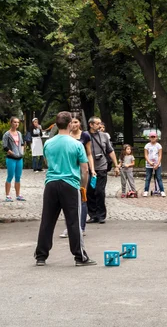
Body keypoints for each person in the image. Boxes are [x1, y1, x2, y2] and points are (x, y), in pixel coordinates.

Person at [34, 111, 96, 266]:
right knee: (73, 221)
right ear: (70, 125)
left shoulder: (48, 143)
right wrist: (83, 187)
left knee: (47, 221)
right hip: (70, 184)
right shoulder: (76, 144)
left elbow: (48, 163)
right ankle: (79, 256)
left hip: (51, 184)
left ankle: (41, 256)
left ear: (56, 125)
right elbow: (85, 169)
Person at [60, 116, 96, 238]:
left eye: (76, 122)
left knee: (82, 197)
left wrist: (92, 169)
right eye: (72, 122)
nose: (74, 124)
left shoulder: (85, 136)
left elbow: (89, 154)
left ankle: (81, 227)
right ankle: (69, 227)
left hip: (81, 170)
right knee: (68, 200)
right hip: (69, 170)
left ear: (80, 123)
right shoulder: (66, 136)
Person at [87, 116, 120, 223]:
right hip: (88, 168)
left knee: (99, 191)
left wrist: (116, 165)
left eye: (100, 123)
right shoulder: (85, 136)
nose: (99, 125)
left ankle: (101, 215)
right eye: (97, 123)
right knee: (90, 192)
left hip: (101, 167)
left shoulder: (104, 136)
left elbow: (110, 151)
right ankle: (92, 215)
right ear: (91, 125)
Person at [3, 116, 25, 202]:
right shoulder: (7, 134)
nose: (16, 124)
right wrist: (12, 153)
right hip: (11, 159)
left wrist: (21, 152)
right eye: (15, 122)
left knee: (18, 177)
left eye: (18, 122)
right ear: (11, 123)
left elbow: (22, 144)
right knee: (10, 176)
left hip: (19, 158)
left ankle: (18, 195)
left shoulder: (19, 133)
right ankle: (7, 195)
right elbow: (5, 146)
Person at [144, 131, 165, 197]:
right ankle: (146, 191)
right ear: (149, 138)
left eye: (154, 137)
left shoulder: (159, 145)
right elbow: (146, 155)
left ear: (156, 137)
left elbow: (160, 155)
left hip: (157, 164)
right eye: (151, 137)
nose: (153, 138)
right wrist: (149, 162)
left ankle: (162, 191)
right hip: (149, 164)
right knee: (148, 178)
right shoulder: (147, 145)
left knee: (159, 177)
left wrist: (158, 163)